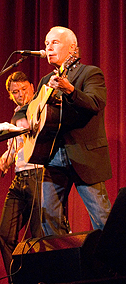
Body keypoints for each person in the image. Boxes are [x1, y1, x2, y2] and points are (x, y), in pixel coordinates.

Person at [13, 26, 112, 236]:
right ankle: (62, 264)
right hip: (52, 156)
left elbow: (95, 103)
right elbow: (24, 110)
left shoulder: (90, 72)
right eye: (46, 44)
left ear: (72, 47)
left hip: (83, 155)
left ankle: (116, 265)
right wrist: (22, 120)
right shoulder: (45, 82)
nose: (48, 48)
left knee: (101, 215)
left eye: (54, 42)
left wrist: (70, 89)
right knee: (48, 217)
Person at [0, 72, 43, 279]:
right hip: (19, 178)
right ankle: (18, 280)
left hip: (39, 176)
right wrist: (3, 163)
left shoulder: (40, 107)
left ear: (32, 87)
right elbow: (12, 152)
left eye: (23, 90)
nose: (20, 95)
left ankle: (45, 279)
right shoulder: (15, 116)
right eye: (15, 92)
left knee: (40, 236)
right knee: (5, 234)